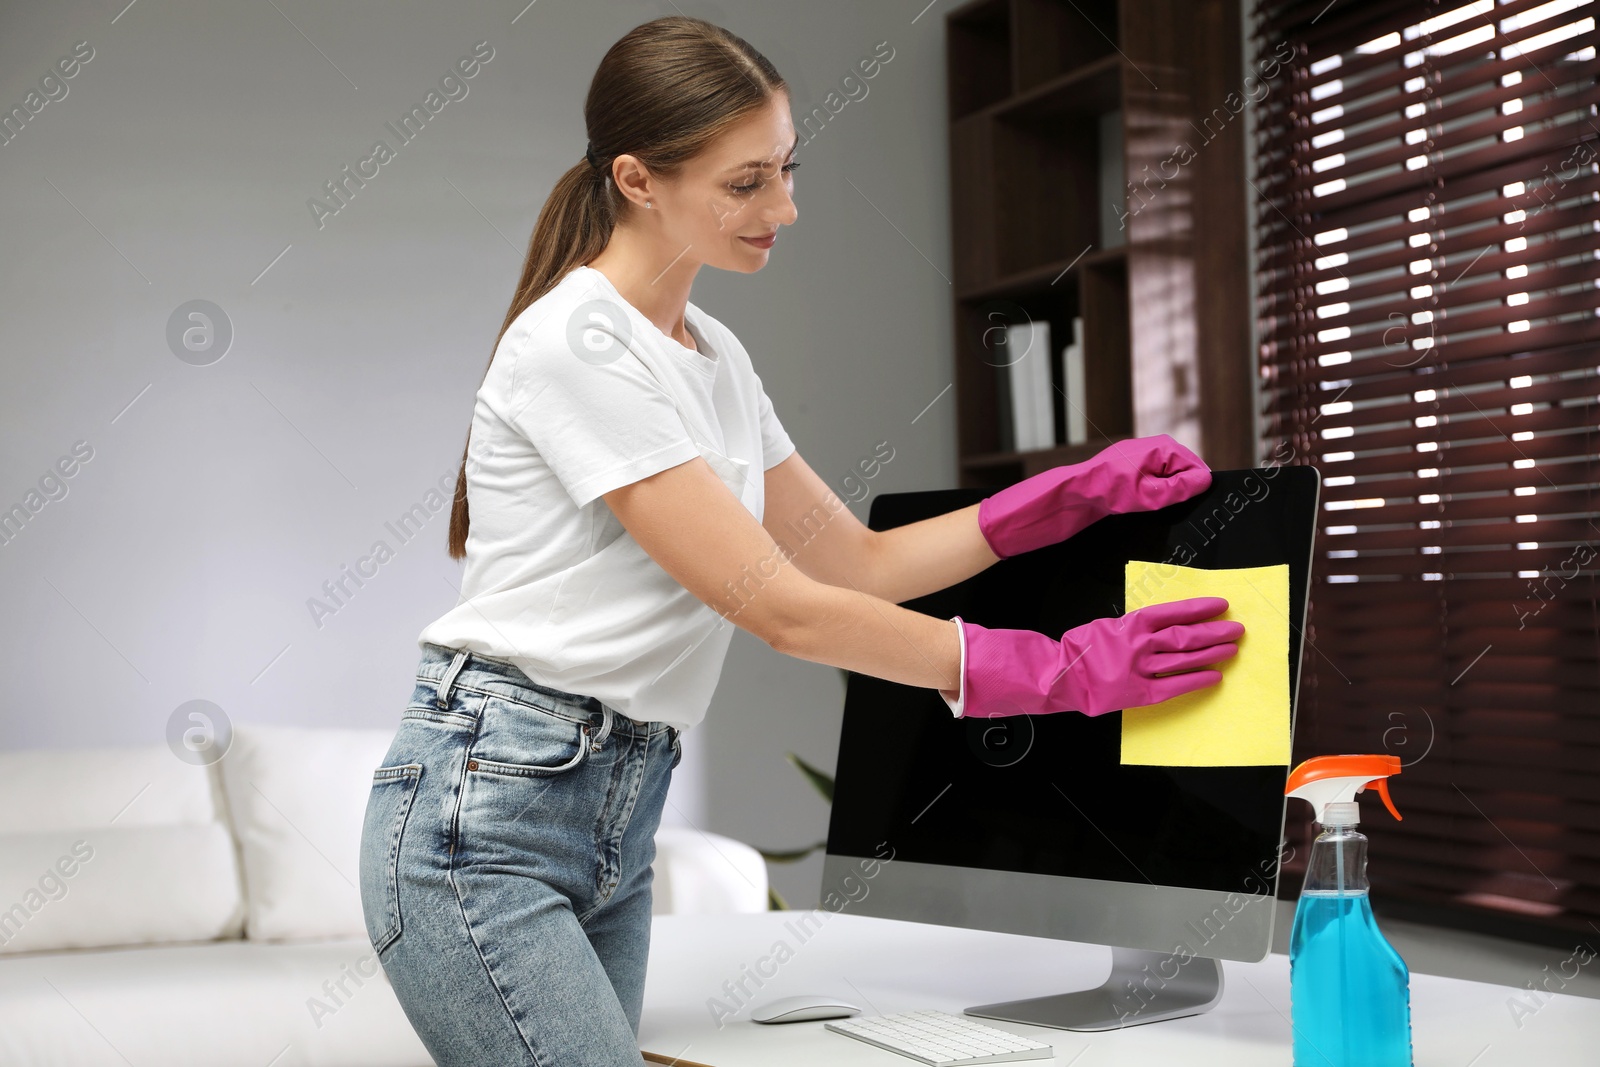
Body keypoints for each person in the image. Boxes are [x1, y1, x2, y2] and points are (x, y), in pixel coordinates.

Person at [357, 14, 1243, 1066]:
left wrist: (1053, 502)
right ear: (639, 179)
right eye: (745, 183)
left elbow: (854, 564)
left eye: (785, 168)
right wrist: (1050, 669)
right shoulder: (577, 341)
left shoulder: (713, 353)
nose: (784, 207)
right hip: (488, 815)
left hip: (617, 805)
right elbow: (778, 605)